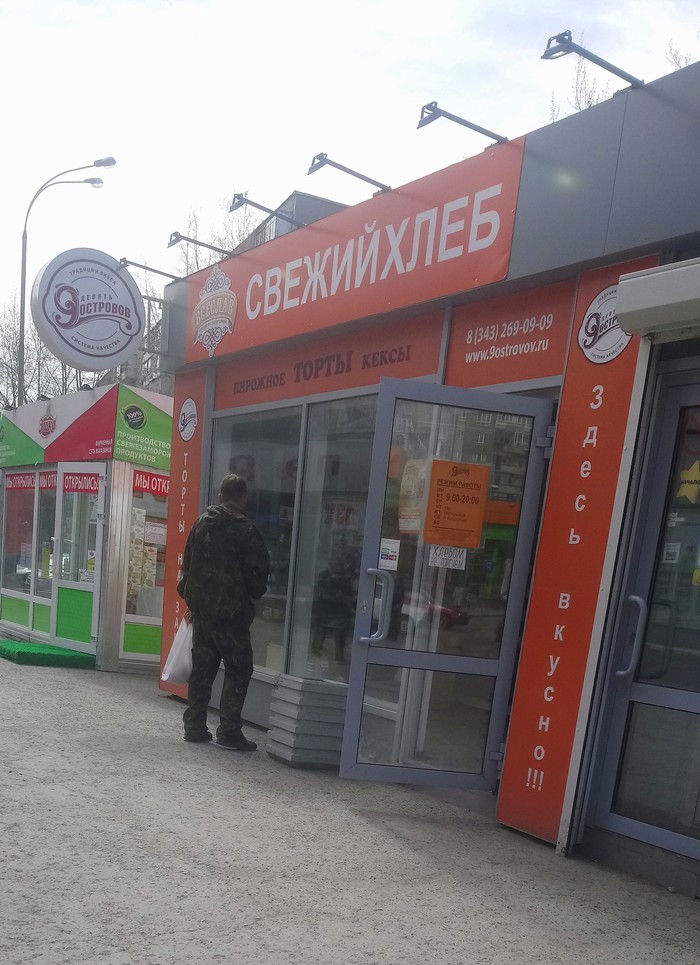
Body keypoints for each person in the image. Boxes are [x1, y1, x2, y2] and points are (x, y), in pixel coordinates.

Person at [177, 474, 270, 750]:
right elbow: (259, 576)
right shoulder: (247, 531)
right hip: (231, 615)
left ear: (220, 497)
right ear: (243, 498)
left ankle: (194, 725)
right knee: (239, 668)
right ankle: (229, 731)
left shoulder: (200, 524)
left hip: (203, 612)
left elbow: (187, 565)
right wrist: (249, 596)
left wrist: (194, 600)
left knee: (203, 669)